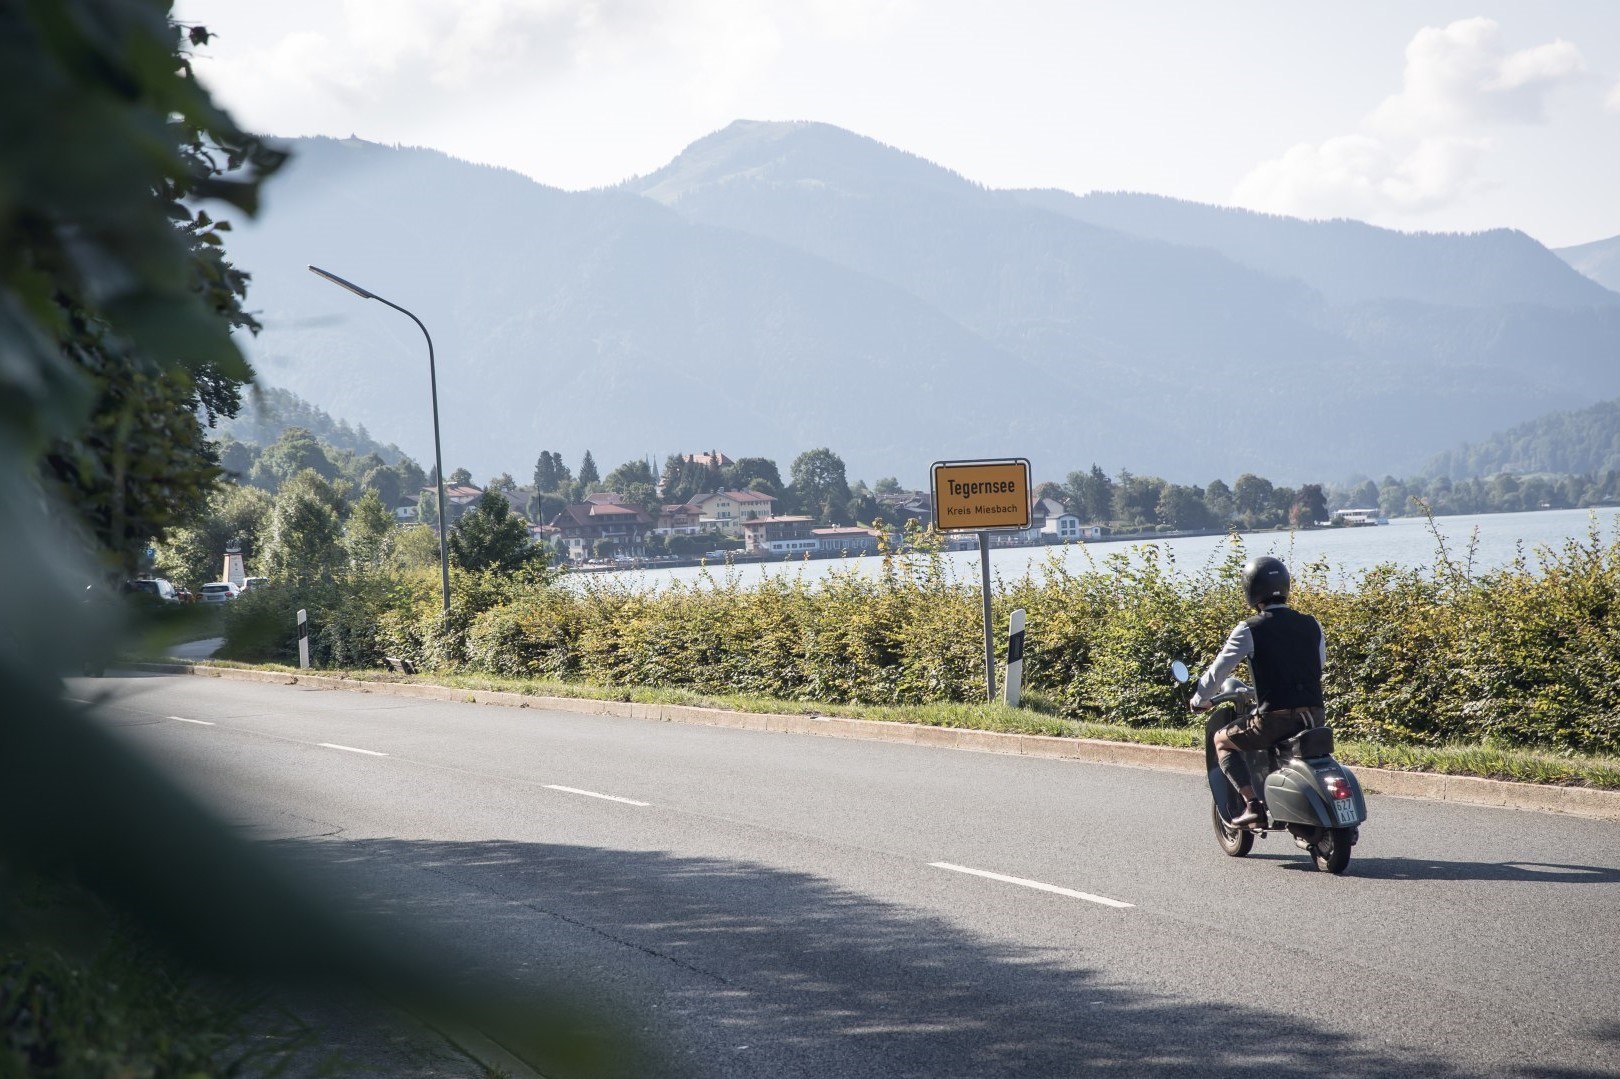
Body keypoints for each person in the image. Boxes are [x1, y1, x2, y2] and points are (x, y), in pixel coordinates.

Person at [1190, 556, 1326, 827]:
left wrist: (1200, 698)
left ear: (1251, 590)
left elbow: (1219, 671)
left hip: (1274, 721)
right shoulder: (1312, 623)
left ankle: (1252, 804)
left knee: (1221, 740)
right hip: (1315, 714)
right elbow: (1316, 667)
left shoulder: (1249, 629)